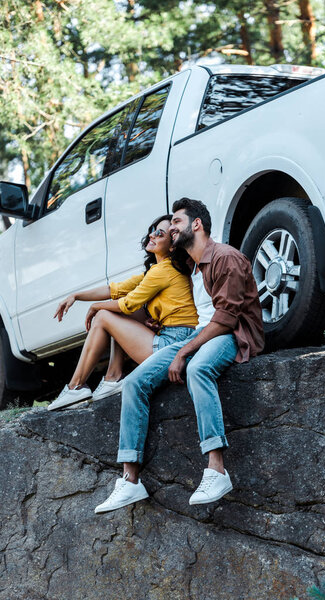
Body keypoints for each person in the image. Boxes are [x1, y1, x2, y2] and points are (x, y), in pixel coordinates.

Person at [95, 198, 264, 513]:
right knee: (134, 383)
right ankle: (130, 481)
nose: (171, 228)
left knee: (198, 368)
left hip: (231, 335)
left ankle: (216, 469)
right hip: (200, 334)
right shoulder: (190, 264)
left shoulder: (225, 257)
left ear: (196, 224)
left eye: (176, 222)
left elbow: (225, 320)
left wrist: (183, 352)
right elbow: (163, 296)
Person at [47, 214, 198, 411]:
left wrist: (96, 307)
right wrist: (75, 296)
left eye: (159, 233)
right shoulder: (158, 270)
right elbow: (115, 289)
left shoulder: (163, 271)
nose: (152, 235)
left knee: (104, 316)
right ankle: (112, 378)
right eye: (153, 230)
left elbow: (127, 304)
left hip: (173, 346)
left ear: (171, 246)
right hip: (178, 339)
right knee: (117, 314)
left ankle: (76, 386)